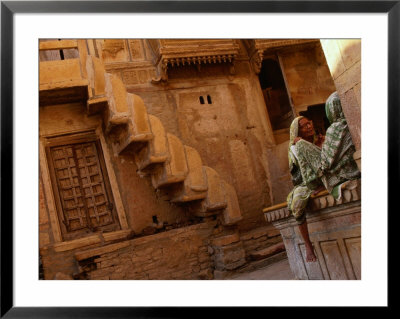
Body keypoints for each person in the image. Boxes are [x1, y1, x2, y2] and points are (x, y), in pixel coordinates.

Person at [287, 91, 360, 262]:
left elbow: (328, 157)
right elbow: (301, 173)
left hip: (324, 176)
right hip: (307, 182)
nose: (309, 127)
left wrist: (322, 144)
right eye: (304, 126)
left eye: (309, 123)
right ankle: (308, 245)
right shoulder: (296, 147)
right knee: (297, 204)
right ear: (298, 131)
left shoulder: (323, 138)